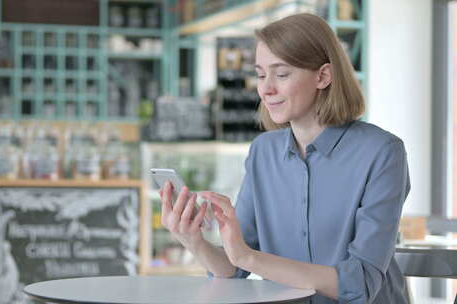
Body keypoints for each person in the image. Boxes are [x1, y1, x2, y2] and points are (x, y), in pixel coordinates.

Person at [158, 13, 409, 304]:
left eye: (282, 74)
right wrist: (193, 240)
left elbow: (360, 283)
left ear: (323, 76)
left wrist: (248, 258)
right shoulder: (263, 151)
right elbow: (232, 267)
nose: (266, 89)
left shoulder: (382, 151)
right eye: (261, 74)